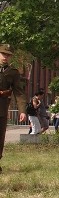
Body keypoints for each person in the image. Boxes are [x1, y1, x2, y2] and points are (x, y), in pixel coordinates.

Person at [0, 44, 29, 172]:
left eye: (8, 55)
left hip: (1, 109)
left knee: (0, 138)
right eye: (3, 54)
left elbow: (19, 92)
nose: (5, 57)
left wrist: (22, 111)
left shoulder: (13, 72)